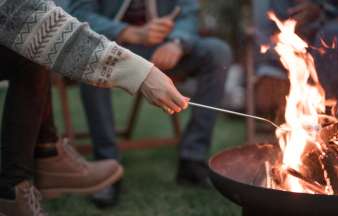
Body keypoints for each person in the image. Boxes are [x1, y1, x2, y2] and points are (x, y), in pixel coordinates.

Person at [0, 0, 188, 215]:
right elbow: (25, 15)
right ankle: (31, 169)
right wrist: (140, 73)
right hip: (120, 39)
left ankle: (36, 165)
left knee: (30, 46)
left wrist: (176, 42)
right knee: (33, 36)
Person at [67, 0, 232, 206]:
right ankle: (107, 166)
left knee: (217, 52)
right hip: (110, 46)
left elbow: (189, 12)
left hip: (162, 49)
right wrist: (128, 32)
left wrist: (177, 42)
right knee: (92, 58)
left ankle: (192, 159)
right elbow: (78, 13)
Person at [254, 0, 338, 119]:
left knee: (331, 34)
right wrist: (300, 21)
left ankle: (328, 113)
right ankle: (315, 120)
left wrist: (321, 15)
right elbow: (276, 33)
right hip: (297, 48)